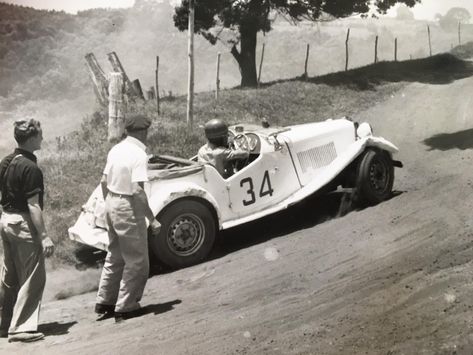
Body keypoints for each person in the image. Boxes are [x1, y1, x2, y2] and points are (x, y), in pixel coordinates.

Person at [95, 113, 161, 323]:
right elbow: (137, 190)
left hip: (111, 202)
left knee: (114, 255)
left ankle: (105, 301)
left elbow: (104, 181)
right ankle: (126, 305)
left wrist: (110, 205)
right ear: (143, 132)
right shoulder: (138, 155)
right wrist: (153, 218)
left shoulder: (116, 149)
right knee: (137, 260)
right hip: (126, 205)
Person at [0, 119, 55, 343]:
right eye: (40, 134)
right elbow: (33, 205)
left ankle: (4, 325)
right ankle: (21, 327)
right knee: (33, 276)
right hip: (22, 222)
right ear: (31, 138)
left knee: (10, 277)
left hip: (5, 220)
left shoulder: (6, 161)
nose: (42, 138)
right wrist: (44, 236)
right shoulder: (31, 168)